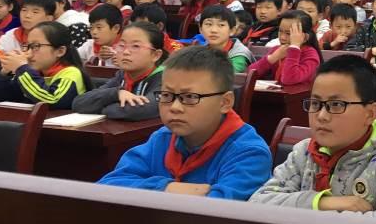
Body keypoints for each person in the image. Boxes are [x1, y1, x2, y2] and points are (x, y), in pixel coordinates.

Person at [250, 53, 376, 217]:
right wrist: (322, 202)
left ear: (370, 114)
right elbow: (258, 203)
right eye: (315, 103)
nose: (322, 116)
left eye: (336, 104)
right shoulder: (304, 152)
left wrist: (302, 213)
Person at [98, 46, 270, 199]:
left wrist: (147, 191)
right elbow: (107, 186)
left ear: (225, 102)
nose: (175, 107)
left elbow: (216, 211)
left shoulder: (249, 153)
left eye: (190, 97)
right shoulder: (163, 138)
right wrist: (167, 188)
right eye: (167, 95)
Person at [72, 22, 165, 121]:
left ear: (156, 55)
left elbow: (137, 111)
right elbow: (78, 103)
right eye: (122, 45)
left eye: (136, 46)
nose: (126, 52)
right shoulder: (122, 76)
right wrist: (117, 93)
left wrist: (100, 107)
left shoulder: (166, 79)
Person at [0, 21, 92, 109]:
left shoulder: (71, 73)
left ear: (60, 51)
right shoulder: (35, 71)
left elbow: (52, 100)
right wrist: (4, 74)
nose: (28, 53)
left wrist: (22, 68)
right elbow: (3, 98)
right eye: (28, 46)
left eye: (36, 46)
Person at [247, 10, 322, 85]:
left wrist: (294, 47)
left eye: (288, 33)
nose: (282, 37)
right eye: (280, 31)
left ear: (305, 37)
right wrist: (272, 58)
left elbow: (289, 79)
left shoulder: (310, 55)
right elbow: (249, 74)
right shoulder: (278, 50)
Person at [198, 5, 254, 72]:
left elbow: (226, 75)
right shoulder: (199, 52)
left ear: (232, 30)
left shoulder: (239, 55)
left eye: (221, 25)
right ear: (201, 29)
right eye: (209, 24)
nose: (213, 30)